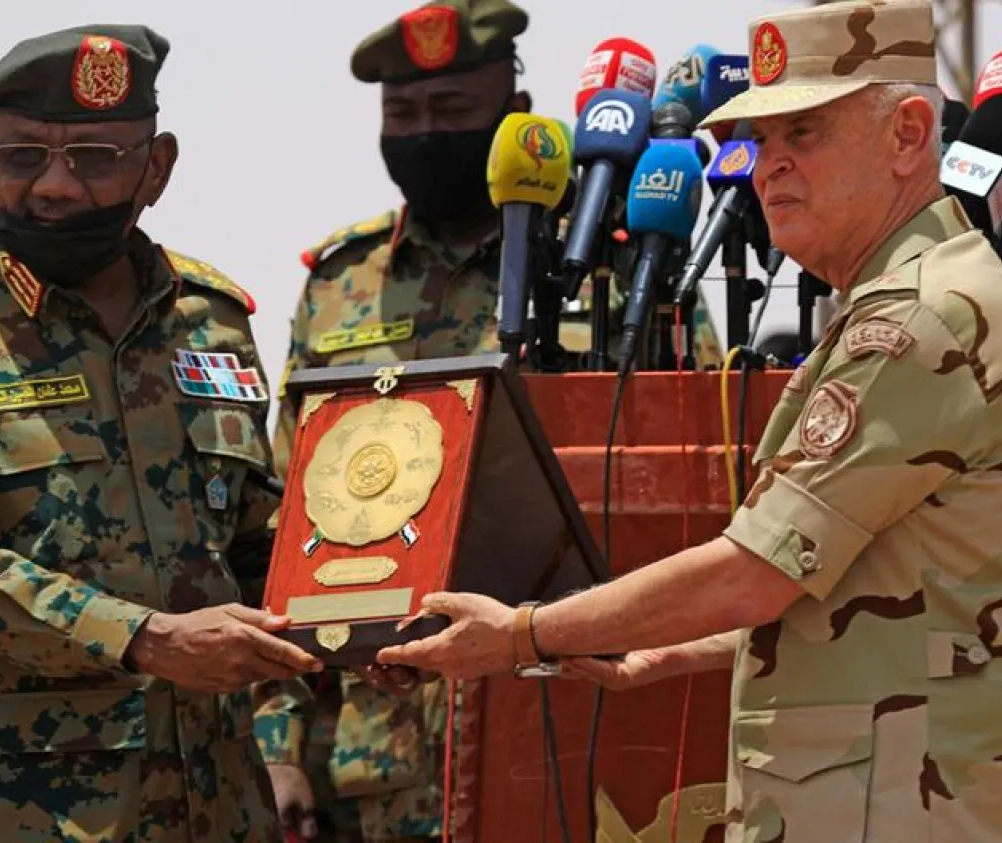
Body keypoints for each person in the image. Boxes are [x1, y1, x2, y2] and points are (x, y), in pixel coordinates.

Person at [376, 1, 1002, 840]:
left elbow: (756, 571)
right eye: (762, 141)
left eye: (805, 134)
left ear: (908, 133)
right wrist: (677, 651)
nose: (769, 167)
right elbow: (879, 591)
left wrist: (523, 633)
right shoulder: (921, 294)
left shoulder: (922, 317)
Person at [0, 24, 321, 842]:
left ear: (157, 167)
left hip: (212, 802)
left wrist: (357, 613)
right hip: (9, 807)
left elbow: (250, 541)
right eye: (24, 157)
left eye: (94, 157)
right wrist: (147, 640)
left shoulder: (211, 322)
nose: (55, 186)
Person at [257, 3, 723, 841]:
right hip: (386, 759)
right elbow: (285, 529)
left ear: (515, 114)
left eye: (453, 113)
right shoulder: (342, 283)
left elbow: (697, 480)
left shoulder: (625, 265)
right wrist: (278, 742)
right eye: (403, 117)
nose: (425, 135)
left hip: (582, 723)